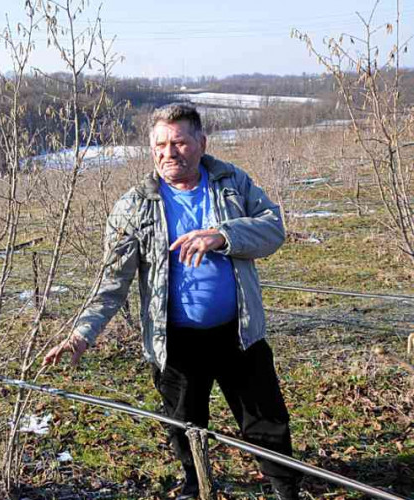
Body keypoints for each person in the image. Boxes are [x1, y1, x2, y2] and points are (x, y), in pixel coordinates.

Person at [43, 103, 300, 499]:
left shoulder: (231, 183)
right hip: (175, 344)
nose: (169, 153)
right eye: (160, 145)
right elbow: (112, 282)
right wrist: (81, 334)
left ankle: (285, 489)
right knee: (185, 426)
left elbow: (273, 228)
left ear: (201, 142)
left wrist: (222, 235)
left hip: (240, 334)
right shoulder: (135, 206)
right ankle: (198, 486)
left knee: (266, 421)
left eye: (179, 142)